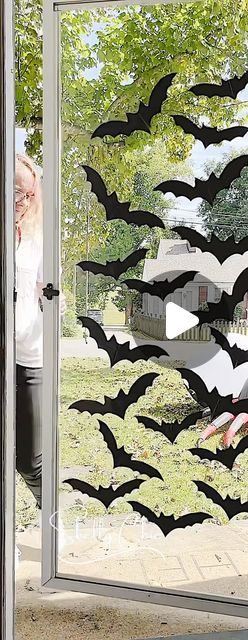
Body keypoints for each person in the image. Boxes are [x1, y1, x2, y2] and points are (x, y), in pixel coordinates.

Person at [14, 153, 65, 565]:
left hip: (30, 357)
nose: (20, 200)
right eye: (13, 190)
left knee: (31, 459)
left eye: (27, 193)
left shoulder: (37, 237)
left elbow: (51, 295)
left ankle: (53, 526)